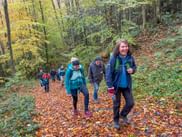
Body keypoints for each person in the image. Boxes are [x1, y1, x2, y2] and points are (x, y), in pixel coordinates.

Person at [106, 39, 137, 129]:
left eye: (126, 46)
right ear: (118, 48)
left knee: (130, 103)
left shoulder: (130, 57)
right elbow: (108, 73)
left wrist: (133, 70)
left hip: (126, 85)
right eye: (122, 46)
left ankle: (123, 115)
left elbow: (134, 67)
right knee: (116, 104)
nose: (125, 48)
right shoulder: (114, 58)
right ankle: (116, 121)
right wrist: (110, 86)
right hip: (116, 86)